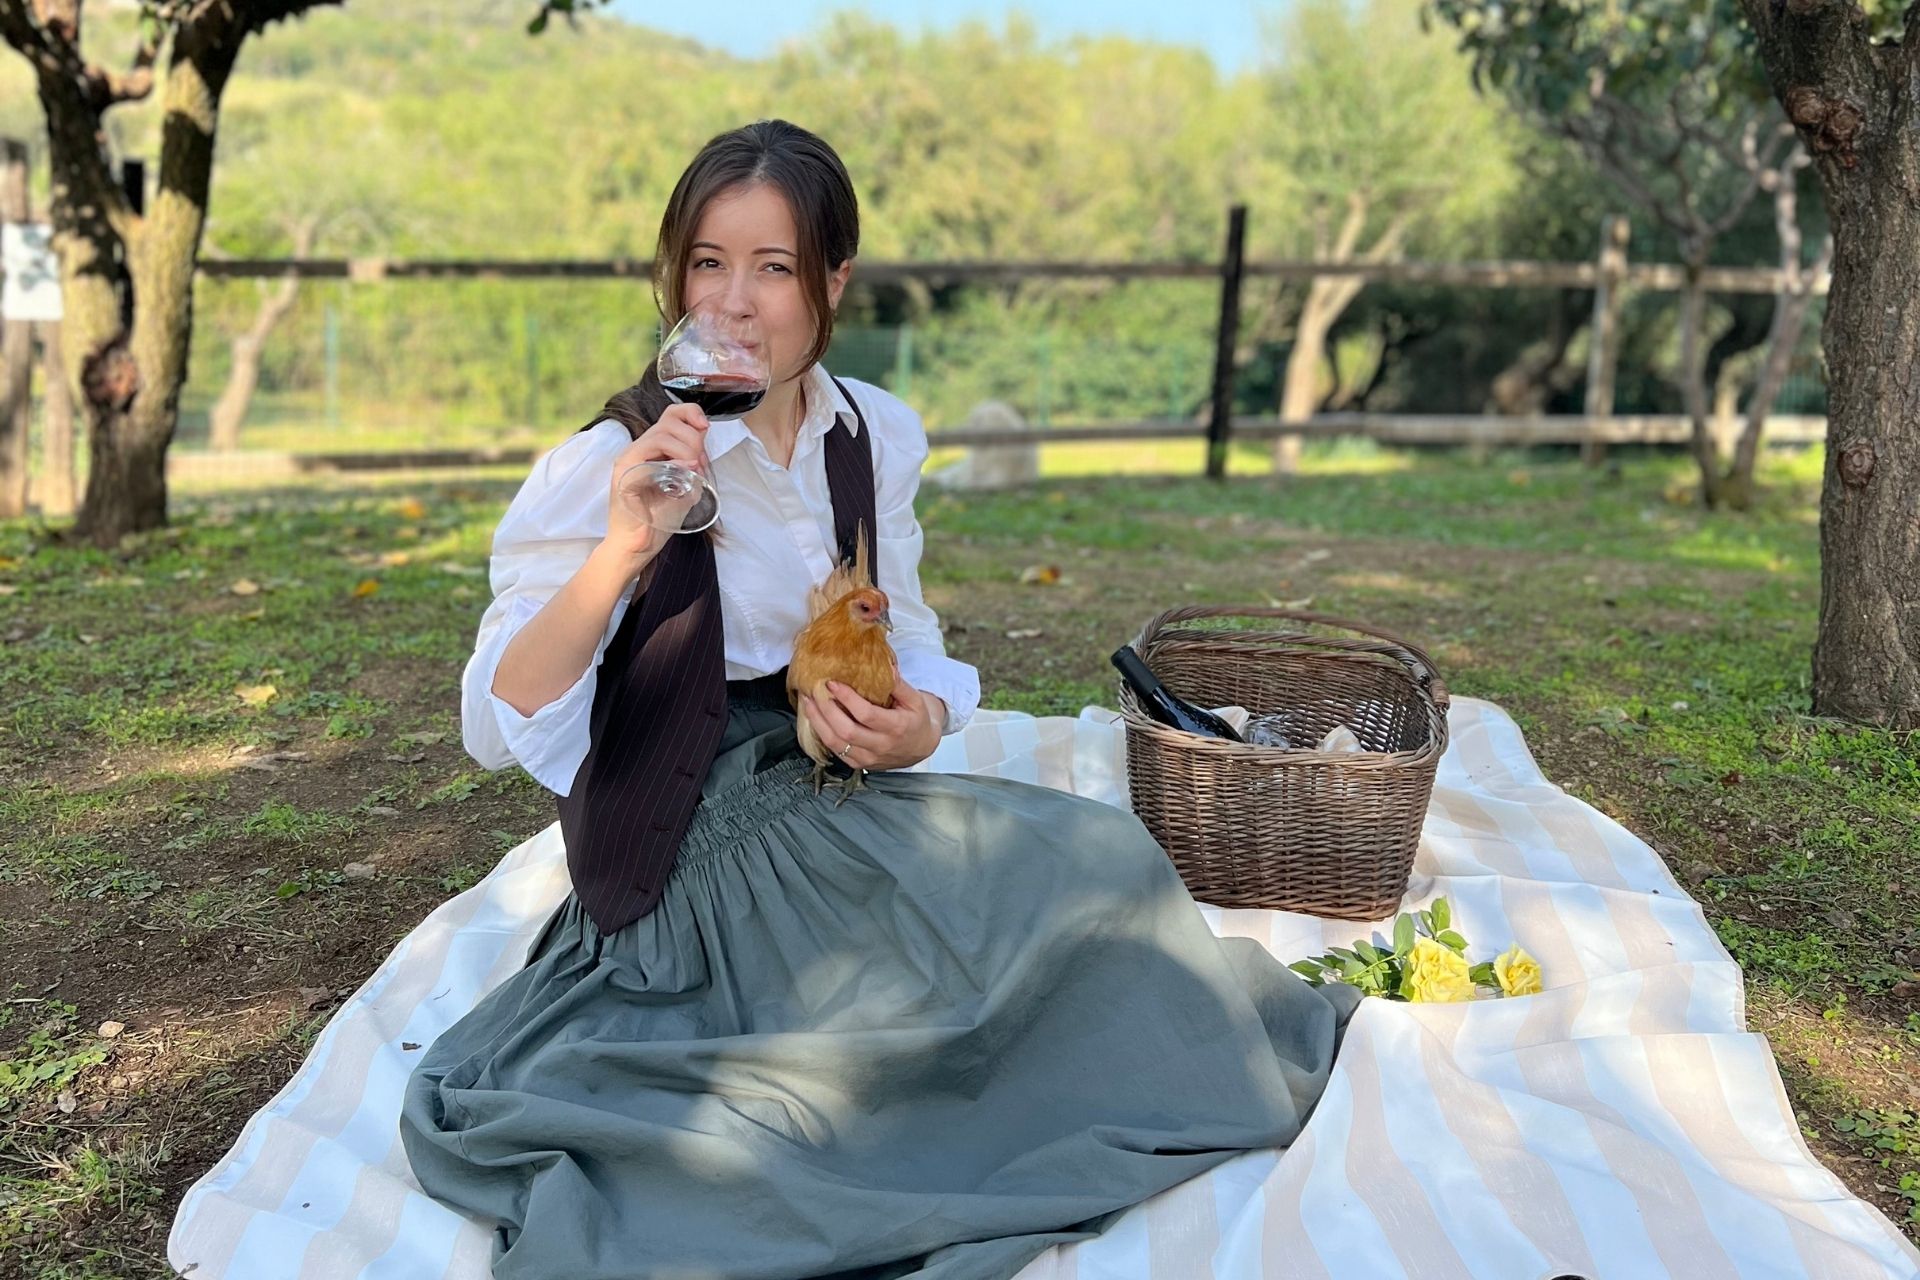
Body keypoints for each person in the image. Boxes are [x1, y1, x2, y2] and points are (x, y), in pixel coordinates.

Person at [399, 118, 1358, 1280]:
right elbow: (502, 716)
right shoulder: (612, 457)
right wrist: (622, 546)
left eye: (774, 267)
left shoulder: (869, 435)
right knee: (886, 1036)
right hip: (691, 847)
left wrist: (922, 720)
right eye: (708, 263)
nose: (736, 302)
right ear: (675, 275)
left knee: (1097, 862)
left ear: (833, 280)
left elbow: (907, 633)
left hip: (824, 792)